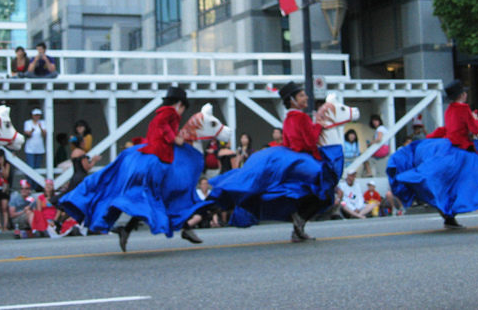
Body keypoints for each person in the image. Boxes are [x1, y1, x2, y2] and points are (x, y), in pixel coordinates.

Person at [60, 86, 210, 252]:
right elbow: (164, 129)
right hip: (158, 160)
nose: (181, 113)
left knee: (145, 198)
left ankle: (129, 228)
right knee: (162, 195)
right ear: (180, 104)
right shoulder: (171, 113)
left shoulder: (161, 113)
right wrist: (174, 138)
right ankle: (186, 227)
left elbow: (156, 131)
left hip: (149, 156)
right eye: (183, 109)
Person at [209, 81, 344, 243]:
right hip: (303, 161)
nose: (306, 97)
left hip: (293, 160)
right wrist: (319, 126)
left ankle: (299, 222)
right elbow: (309, 142)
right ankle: (300, 220)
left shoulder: (288, 118)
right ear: (292, 100)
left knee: (311, 191)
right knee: (325, 188)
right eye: (301, 95)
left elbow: (288, 142)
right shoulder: (302, 117)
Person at [388, 79, 478, 230]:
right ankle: (476, 200)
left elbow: (449, 128)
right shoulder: (464, 109)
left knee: (450, 184)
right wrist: (476, 119)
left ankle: (448, 216)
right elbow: (474, 130)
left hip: (447, 146)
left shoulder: (449, 109)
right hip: (460, 148)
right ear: (463, 95)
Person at [23, 108, 46, 173]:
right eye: (36, 115)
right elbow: (27, 135)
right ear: (32, 115)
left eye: (38, 115)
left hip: (40, 149)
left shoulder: (42, 123)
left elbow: (45, 135)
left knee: (37, 168)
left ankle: (35, 183)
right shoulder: (28, 123)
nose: (37, 116)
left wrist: (41, 128)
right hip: (30, 149)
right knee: (30, 168)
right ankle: (30, 182)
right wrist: (32, 130)